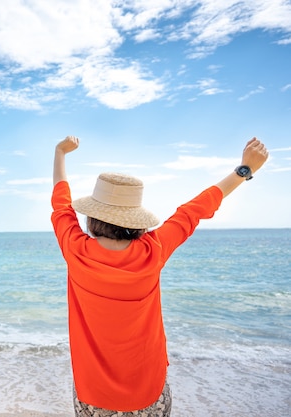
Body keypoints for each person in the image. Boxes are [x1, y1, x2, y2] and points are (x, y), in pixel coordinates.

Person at [51, 136, 269, 417]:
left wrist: (60, 153)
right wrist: (244, 170)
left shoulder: (75, 249)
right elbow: (193, 210)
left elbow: (61, 203)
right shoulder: (153, 250)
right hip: (147, 392)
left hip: (93, 393)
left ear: (92, 217)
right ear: (135, 219)